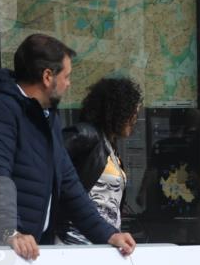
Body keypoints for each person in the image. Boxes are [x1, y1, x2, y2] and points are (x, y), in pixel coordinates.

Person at [0, 34, 135, 261]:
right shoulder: (0, 108)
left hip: (25, 250)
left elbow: (70, 185)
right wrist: (9, 231)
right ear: (47, 77)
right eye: (67, 76)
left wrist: (108, 234)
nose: (69, 83)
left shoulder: (46, 117)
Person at [58, 76, 142, 245]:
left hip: (103, 240)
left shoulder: (110, 147)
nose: (135, 119)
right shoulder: (86, 135)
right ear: (117, 110)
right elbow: (50, 163)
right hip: (76, 242)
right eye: (131, 111)